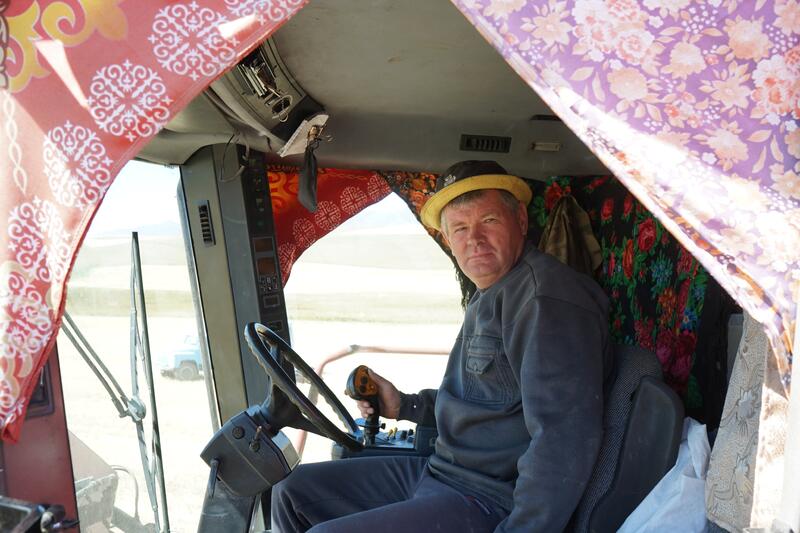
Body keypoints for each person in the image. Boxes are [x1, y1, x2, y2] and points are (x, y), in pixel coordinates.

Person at [271, 160, 613, 532]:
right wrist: (405, 405)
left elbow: (563, 439)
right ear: (448, 239)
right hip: (441, 471)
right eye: (460, 228)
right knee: (292, 492)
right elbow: (486, 400)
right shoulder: (491, 292)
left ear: (520, 221)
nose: (475, 240)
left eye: (489, 221)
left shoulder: (545, 301)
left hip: (488, 497)